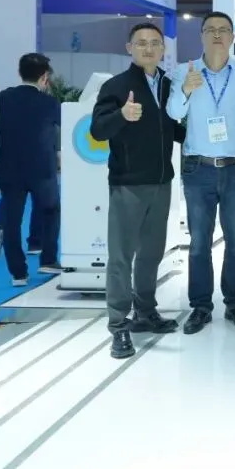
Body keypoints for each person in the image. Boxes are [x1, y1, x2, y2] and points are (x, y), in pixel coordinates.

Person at [89, 23, 185, 359]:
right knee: (121, 257)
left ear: (163, 50)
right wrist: (121, 114)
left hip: (161, 182)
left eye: (155, 43)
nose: (149, 48)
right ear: (129, 47)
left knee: (151, 253)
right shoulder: (116, 87)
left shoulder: (169, 86)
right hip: (128, 184)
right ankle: (119, 325)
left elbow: (174, 129)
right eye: (141, 43)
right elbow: (98, 130)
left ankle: (145, 311)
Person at [167, 12, 235, 335]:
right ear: (202, 36)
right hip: (198, 168)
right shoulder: (185, 71)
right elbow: (173, 113)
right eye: (211, 30)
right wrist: (186, 90)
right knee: (199, 243)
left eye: (224, 30)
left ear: (233, 37)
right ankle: (201, 307)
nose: (218, 35)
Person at [0, 53, 62, 286]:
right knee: (50, 211)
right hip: (42, 169)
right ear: (44, 77)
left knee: (11, 220)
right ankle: (48, 259)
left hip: (8, 168)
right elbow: (62, 130)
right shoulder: (50, 103)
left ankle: (18, 273)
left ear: (20, 73)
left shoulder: (0, 98)